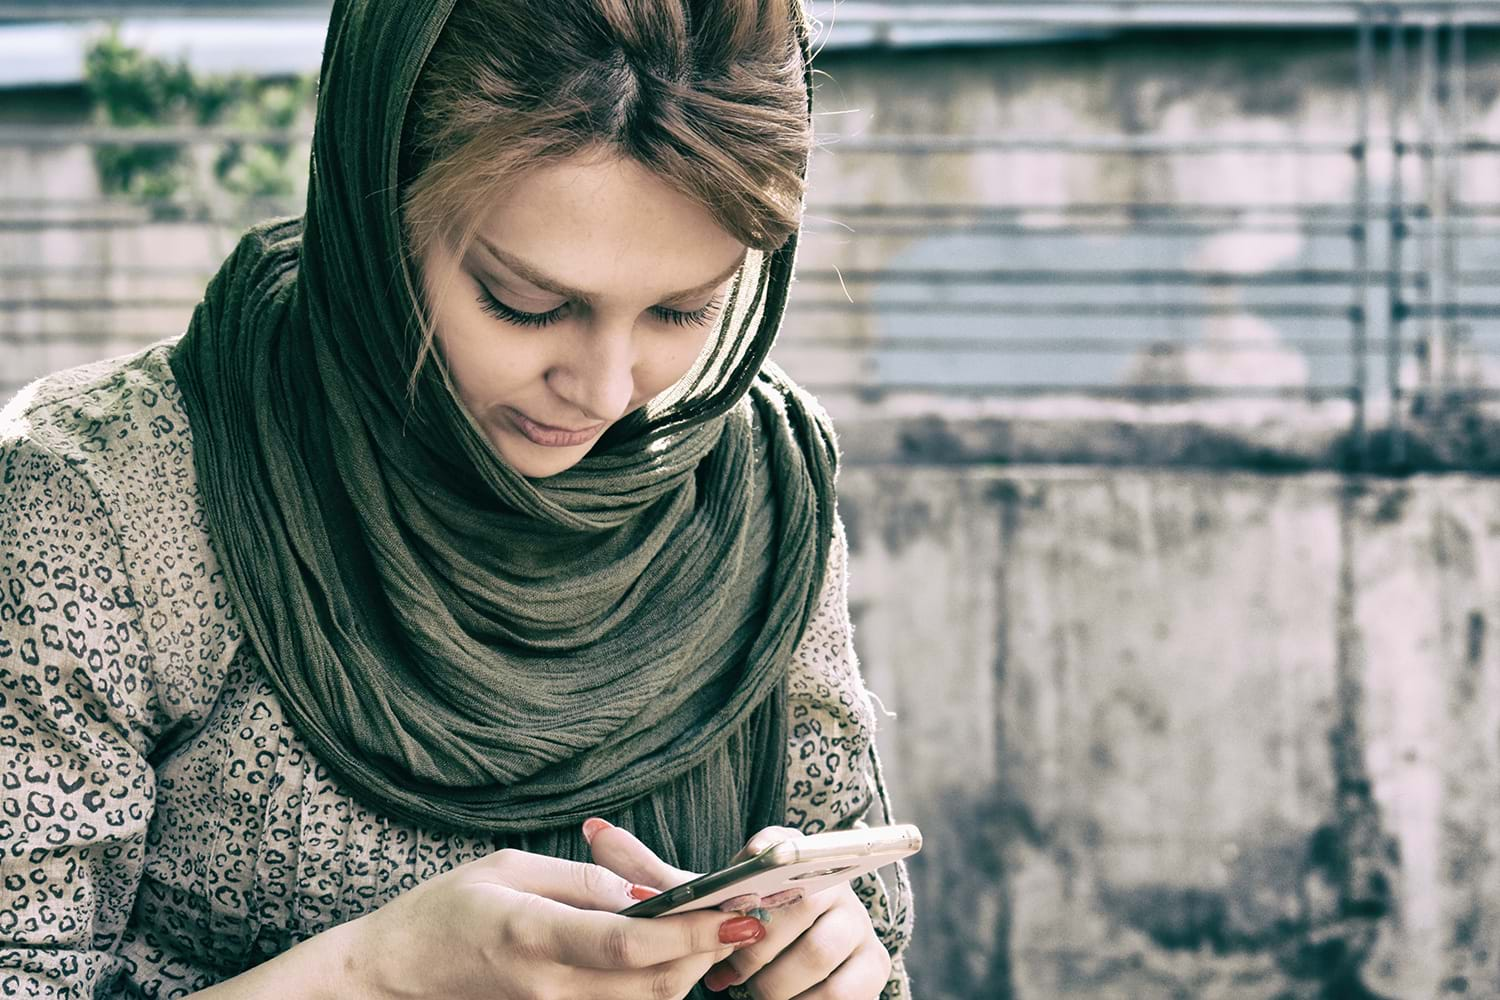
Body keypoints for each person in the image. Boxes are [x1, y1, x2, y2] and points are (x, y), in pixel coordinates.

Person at [0, 1, 914, 997]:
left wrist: (829, 965)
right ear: (375, 200)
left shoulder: (757, 495)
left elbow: (870, 940)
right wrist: (375, 972)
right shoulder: (106, 500)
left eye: (682, 308)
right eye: (526, 304)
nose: (607, 389)